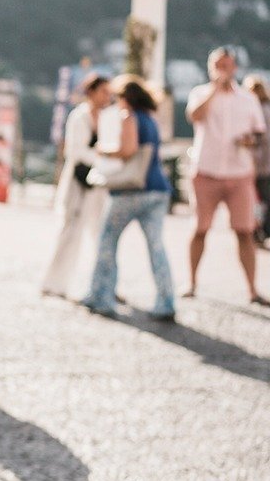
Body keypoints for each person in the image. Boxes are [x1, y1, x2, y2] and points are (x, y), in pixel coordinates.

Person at [81, 76, 176, 322]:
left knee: (107, 241)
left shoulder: (129, 117)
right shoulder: (152, 120)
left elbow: (128, 150)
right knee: (157, 247)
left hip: (131, 190)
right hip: (158, 189)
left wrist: (103, 149)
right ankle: (166, 301)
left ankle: (101, 296)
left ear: (125, 98)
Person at [185, 47, 267, 305]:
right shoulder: (200, 93)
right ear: (211, 68)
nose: (224, 70)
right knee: (200, 229)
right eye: (219, 66)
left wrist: (248, 141)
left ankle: (252, 290)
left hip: (239, 173)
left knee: (244, 231)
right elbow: (195, 116)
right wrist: (214, 89)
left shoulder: (247, 99)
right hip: (206, 171)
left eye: (228, 66)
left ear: (235, 68)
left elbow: (258, 134)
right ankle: (192, 283)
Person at [41, 71, 112, 298]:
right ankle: (55, 282)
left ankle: (102, 285)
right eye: (103, 91)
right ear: (91, 92)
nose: (106, 96)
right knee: (70, 232)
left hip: (99, 183)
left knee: (101, 234)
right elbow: (75, 151)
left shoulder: (110, 118)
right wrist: (102, 156)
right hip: (78, 181)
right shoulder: (79, 117)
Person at [245, 73, 270, 246]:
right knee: (263, 201)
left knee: (257, 200)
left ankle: (256, 230)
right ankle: (260, 230)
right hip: (264, 165)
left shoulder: (255, 110)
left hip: (256, 165)